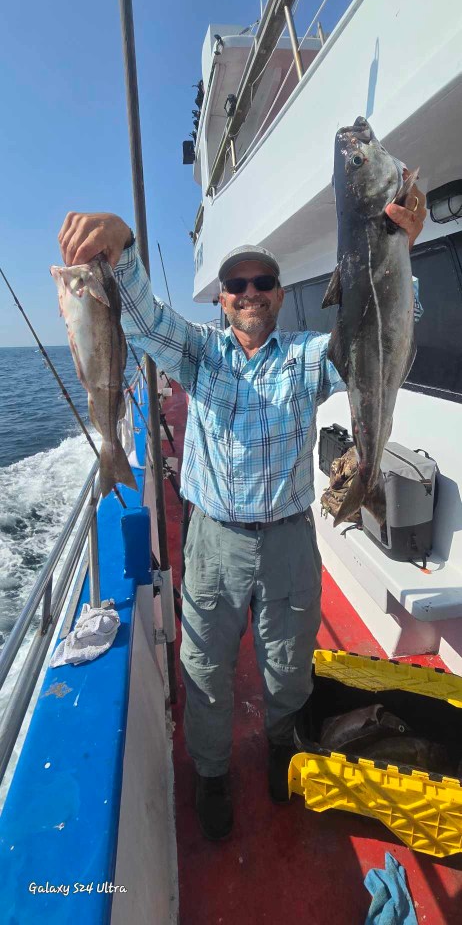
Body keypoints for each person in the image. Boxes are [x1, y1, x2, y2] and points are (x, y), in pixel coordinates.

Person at [58, 187, 426, 841]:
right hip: (214, 546)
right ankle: (211, 771)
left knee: (288, 666)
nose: (249, 292)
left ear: (280, 296)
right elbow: (143, 321)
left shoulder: (310, 358)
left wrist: (402, 251)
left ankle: (284, 741)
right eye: (236, 284)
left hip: (288, 543)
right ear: (221, 299)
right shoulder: (198, 353)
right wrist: (124, 244)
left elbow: (380, 338)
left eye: (262, 283)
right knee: (204, 673)